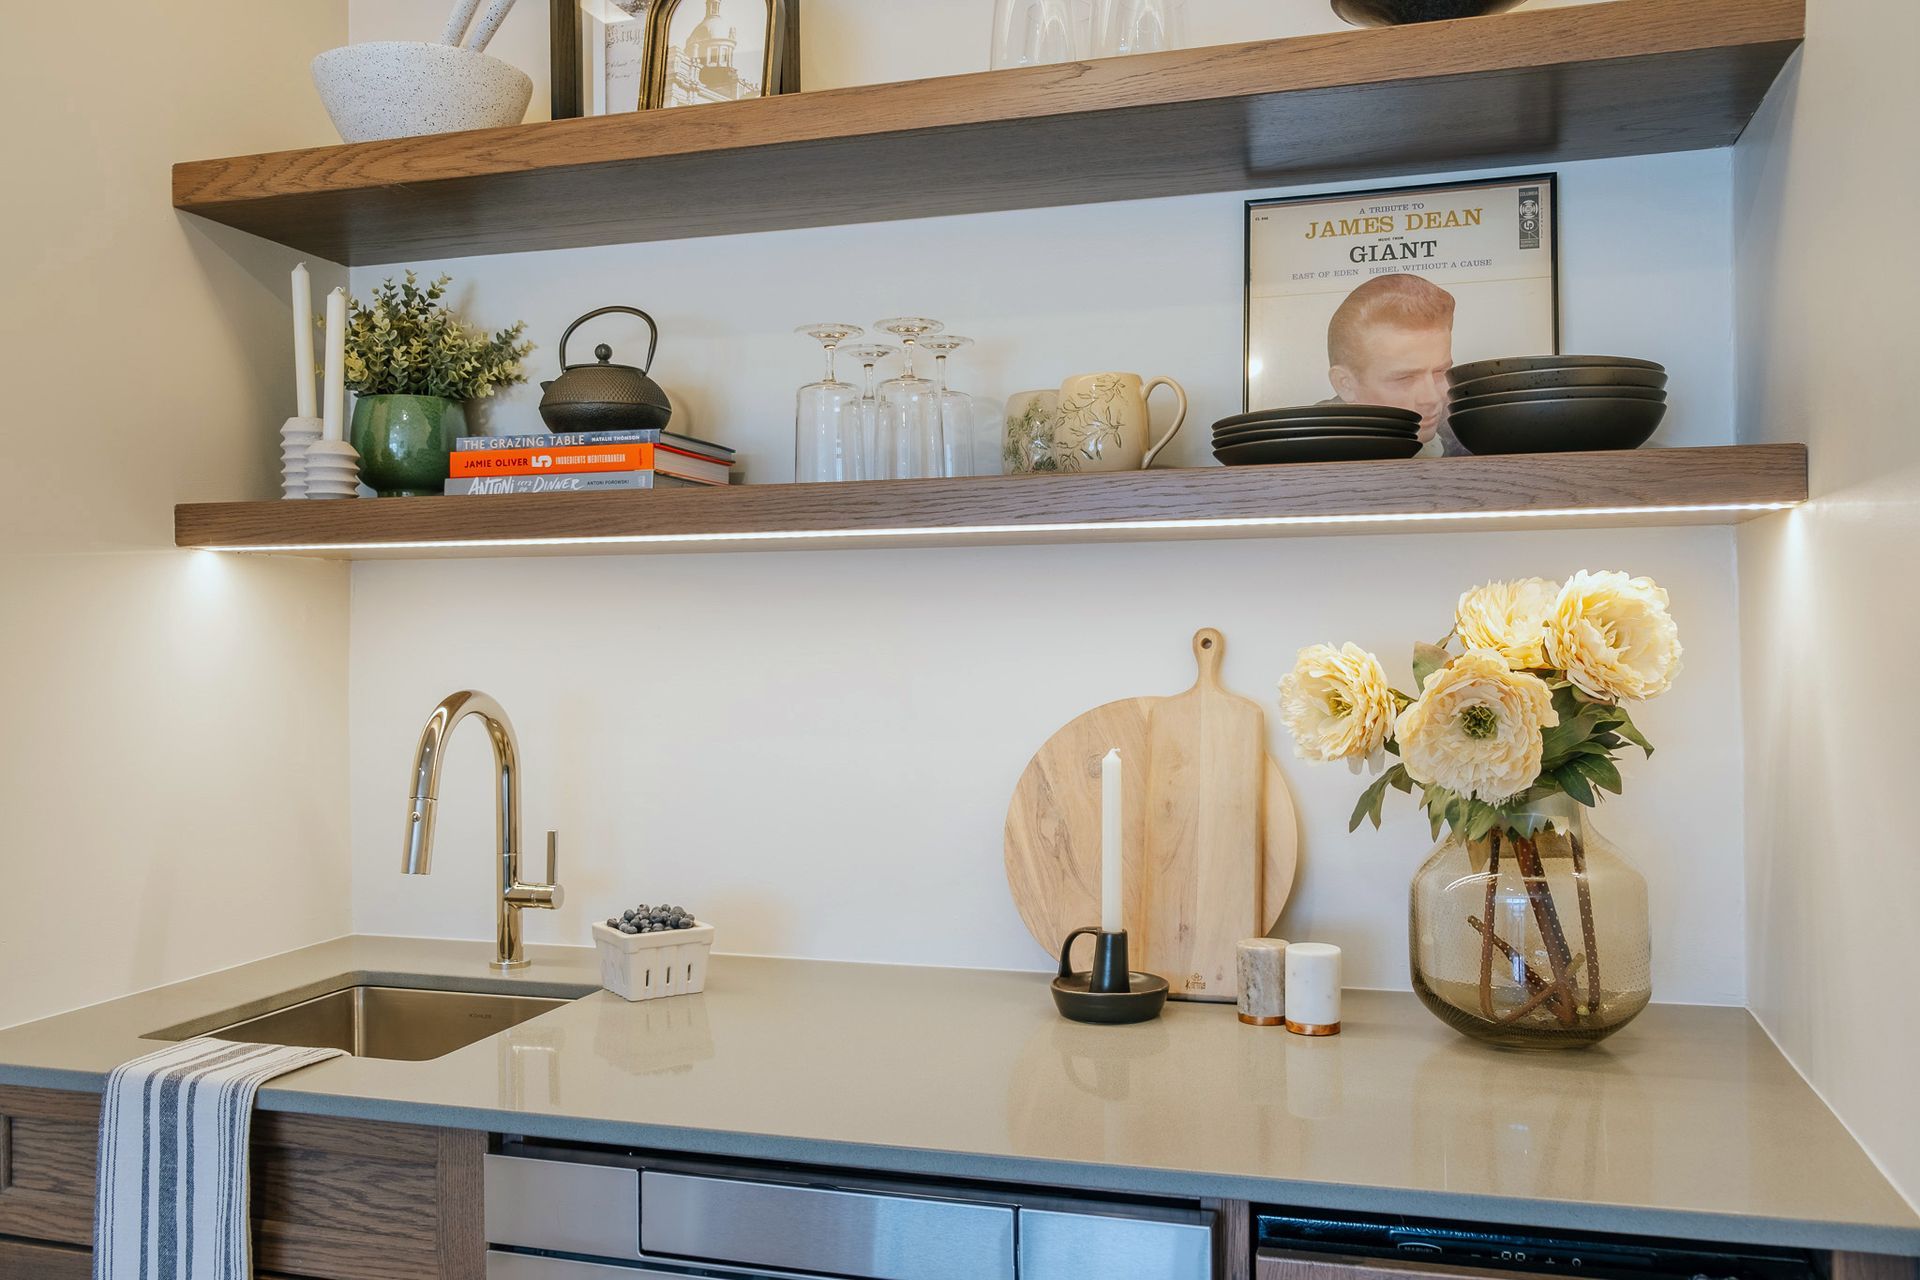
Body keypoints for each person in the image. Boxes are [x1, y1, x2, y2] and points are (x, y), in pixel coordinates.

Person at [1325, 273, 1457, 450]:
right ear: (1345, 385)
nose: (1431, 398)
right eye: (1405, 379)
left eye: (1440, 372)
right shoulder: (1308, 459)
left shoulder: (1466, 431)